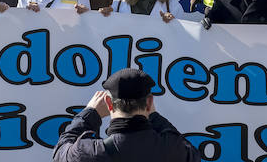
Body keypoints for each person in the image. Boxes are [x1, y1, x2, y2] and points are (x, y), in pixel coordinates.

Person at [52, 67, 202, 162]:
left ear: (109, 104)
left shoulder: (87, 153)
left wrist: (90, 113)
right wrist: (155, 116)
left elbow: (60, 152)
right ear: (149, 103)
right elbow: (193, 155)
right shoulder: (173, 149)